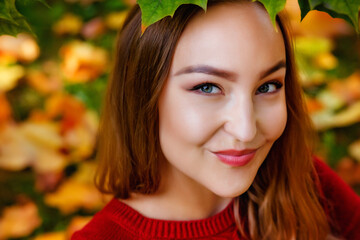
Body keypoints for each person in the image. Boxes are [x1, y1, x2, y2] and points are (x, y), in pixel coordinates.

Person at [72, 0, 360, 239]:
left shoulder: (301, 180)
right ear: (141, 96)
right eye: (207, 87)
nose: (245, 130)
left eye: (268, 86)